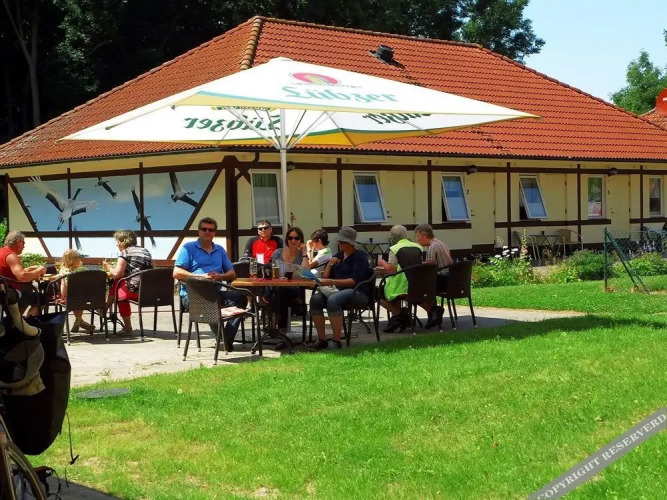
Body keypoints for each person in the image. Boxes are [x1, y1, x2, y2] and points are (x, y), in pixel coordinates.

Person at [173, 217, 247, 352]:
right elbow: (176, 273)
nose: (207, 232)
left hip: (215, 293)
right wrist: (202, 277)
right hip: (192, 295)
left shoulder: (220, 250)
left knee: (241, 297)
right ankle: (223, 340)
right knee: (211, 303)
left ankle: (226, 339)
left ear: (214, 232)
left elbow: (232, 273)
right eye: (204, 229)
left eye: (211, 230)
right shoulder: (188, 248)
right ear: (199, 231)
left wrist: (220, 276)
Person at [309, 226, 370, 350]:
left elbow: (353, 281)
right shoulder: (339, 255)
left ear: (351, 243)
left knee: (333, 300)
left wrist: (332, 281)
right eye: (339, 241)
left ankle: (336, 341)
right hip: (337, 290)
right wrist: (330, 265)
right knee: (315, 299)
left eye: (343, 242)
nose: (340, 244)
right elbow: (326, 276)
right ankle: (322, 339)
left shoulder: (360, 256)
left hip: (358, 292)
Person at [102, 230, 154, 334]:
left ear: (123, 241)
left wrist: (108, 267)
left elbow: (117, 274)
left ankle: (126, 326)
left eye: (117, 241)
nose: (117, 244)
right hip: (148, 290)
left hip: (134, 290)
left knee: (120, 293)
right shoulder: (145, 251)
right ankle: (105, 308)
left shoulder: (125, 253)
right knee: (118, 282)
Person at [376, 225, 424, 332]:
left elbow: (391, 270)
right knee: (393, 289)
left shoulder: (394, 249)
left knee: (378, 295)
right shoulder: (418, 247)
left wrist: (382, 262)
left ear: (393, 237)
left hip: (403, 285)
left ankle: (399, 315)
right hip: (417, 284)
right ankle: (397, 319)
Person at [267, 226, 310, 339]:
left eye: (297, 238)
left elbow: (306, 273)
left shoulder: (301, 256)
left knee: (279, 293)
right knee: (279, 294)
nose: (293, 241)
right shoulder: (278, 253)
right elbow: (269, 269)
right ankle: (281, 333)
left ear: (301, 240)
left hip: (294, 289)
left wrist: (305, 253)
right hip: (277, 287)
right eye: (290, 238)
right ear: (287, 239)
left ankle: (274, 328)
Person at [414, 223, 454, 328]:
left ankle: (433, 311)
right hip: (451, 280)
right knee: (423, 287)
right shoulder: (441, 243)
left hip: (442, 281)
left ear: (424, 235)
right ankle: (434, 312)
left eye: (418, 236)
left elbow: (430, 265)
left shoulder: (432, 246)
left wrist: (416, 264)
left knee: (415, 291)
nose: (417, 240)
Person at [0, 230, 46, 316]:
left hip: (3, 292)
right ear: (18, 243)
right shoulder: (11, 256)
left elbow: (10, 272)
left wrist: (29, 269)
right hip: (9, 294)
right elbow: (23, 277)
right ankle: (29, 322)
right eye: (23, 243)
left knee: (26, 294)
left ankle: (17, 322)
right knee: (42, 298)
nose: (24, 246)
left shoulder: (1, 251)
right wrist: (38, 271)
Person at [56, 249, 95, 334]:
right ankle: (79, 321)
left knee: (74, 299)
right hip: (85, 297)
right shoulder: (83, 269)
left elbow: (63, 285)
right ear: (77, 259)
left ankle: (79, 321)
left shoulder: (63, 271)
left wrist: (62, 297)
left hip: (70, 298)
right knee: (79, 300)